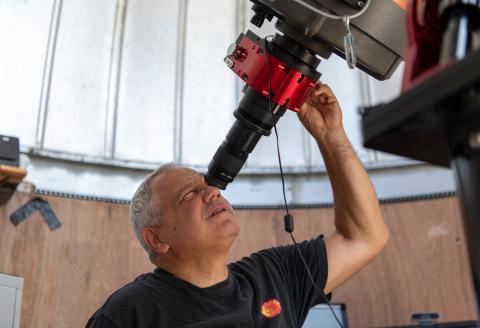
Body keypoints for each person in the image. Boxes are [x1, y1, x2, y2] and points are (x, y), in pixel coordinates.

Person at [86, 84, 389, 328]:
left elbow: (364, 237)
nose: (213, 193)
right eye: (189, 195)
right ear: (157, 239)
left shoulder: (274, 275)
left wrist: (331, 135)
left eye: (208, 186)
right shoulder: (126, 316)